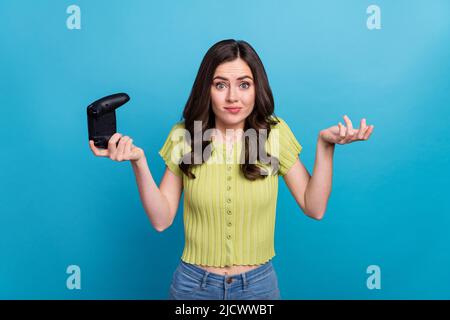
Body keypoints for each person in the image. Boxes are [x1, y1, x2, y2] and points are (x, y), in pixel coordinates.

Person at [89, 39, 375, 300]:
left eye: (244, 84)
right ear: (207, 89)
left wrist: (325, 146)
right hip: (193, 288)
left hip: (258, 288)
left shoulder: (275, 134)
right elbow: (161, 220)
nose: (233, 98)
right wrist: (139, 162)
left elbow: (315, 207)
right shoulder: (184, 135)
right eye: (221, 84)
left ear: (256, 88)